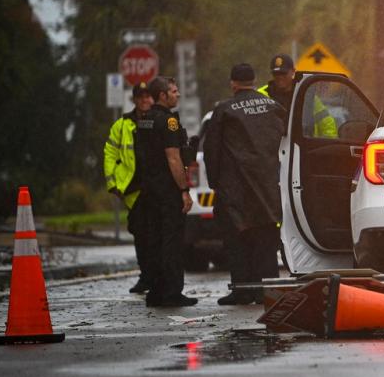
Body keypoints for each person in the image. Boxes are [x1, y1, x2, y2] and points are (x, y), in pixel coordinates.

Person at [204, 63, 286, 304]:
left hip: (235, 188)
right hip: (268, 185)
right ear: (254, 80)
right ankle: (267, 290)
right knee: (266, 238)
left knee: (237, 240)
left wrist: (214, 182)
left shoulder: (224, 110)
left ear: (233, 83)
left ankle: (242, 290)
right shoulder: (273, 106)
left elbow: (212, 149)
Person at [134, 76, 197, 307]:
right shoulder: (169, 121)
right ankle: (172, 292)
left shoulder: (145, 119)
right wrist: (184, 190)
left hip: (149, 191)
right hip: (167, 191)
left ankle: (156, 291)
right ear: (163, 95)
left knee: (155, 241)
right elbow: (172, 158)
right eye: (174, 91)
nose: (177, 94)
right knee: (171, 242)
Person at [104, 82, 155, 293]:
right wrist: (112, 184)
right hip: (134, 191)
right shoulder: (122, 125)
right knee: (141, 236)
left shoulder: (159, 120)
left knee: (158, 236)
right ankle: (146, 277)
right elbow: (110, 154)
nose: (145, 100)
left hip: (157, 188)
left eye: (148, 96)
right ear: (134, 99)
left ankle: (158, 277)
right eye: (140, 97)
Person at [258, 53, 337, 137]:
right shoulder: (261, 95)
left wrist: (324, 146)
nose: (279, 77)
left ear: (293, 72)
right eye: (276, 74)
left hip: (304, 147)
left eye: (283, 73)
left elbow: (327, 124)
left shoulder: (306, 95)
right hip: (272, 147)